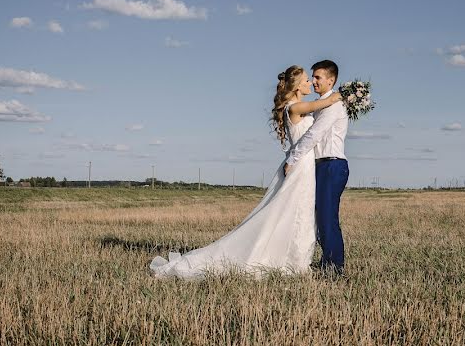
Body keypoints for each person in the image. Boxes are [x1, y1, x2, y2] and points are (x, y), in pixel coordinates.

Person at [149, 65, 342, 280]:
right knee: (292, 212)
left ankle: (296, 260)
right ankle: (286, 260)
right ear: (296, 86)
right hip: (300, 166)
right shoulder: (295, 107)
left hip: (305, 166)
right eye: (307, 80)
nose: (310, 84)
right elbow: (324, 103)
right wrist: (343, 95)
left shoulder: (298, 105)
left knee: (302, 214)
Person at [284, 59, 349, 276]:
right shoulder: (321, 105)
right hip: (320, 166)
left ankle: (334, 267)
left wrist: (292, 158)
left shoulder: (333, 105)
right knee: (319, 217)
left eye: (318, 77)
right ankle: (326, 261)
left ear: (331, 80)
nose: (314, 81)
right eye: (312, 77)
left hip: (332, 164)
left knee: (327, 216)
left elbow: (313, 135)